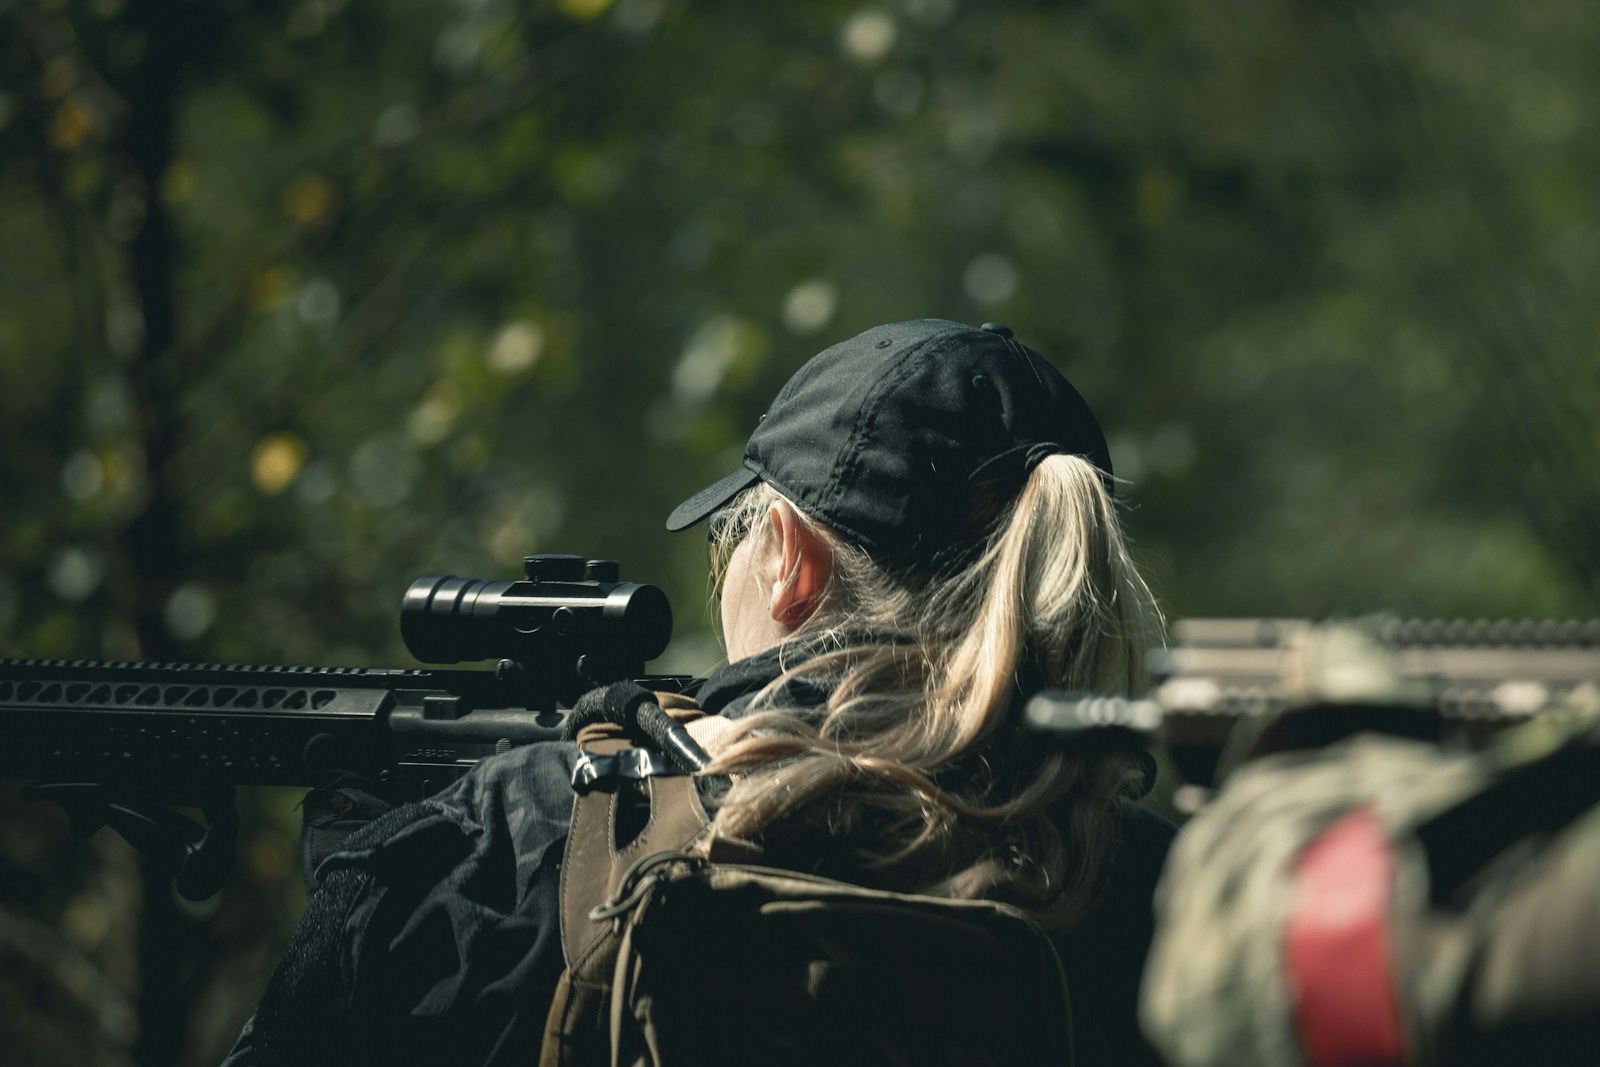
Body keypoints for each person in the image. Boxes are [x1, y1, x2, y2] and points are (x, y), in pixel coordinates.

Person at [222, 318, 1175, 1066]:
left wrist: (374, 882)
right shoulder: (1161, 887)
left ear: (791, 565)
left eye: (731, 542)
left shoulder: (511, 835)